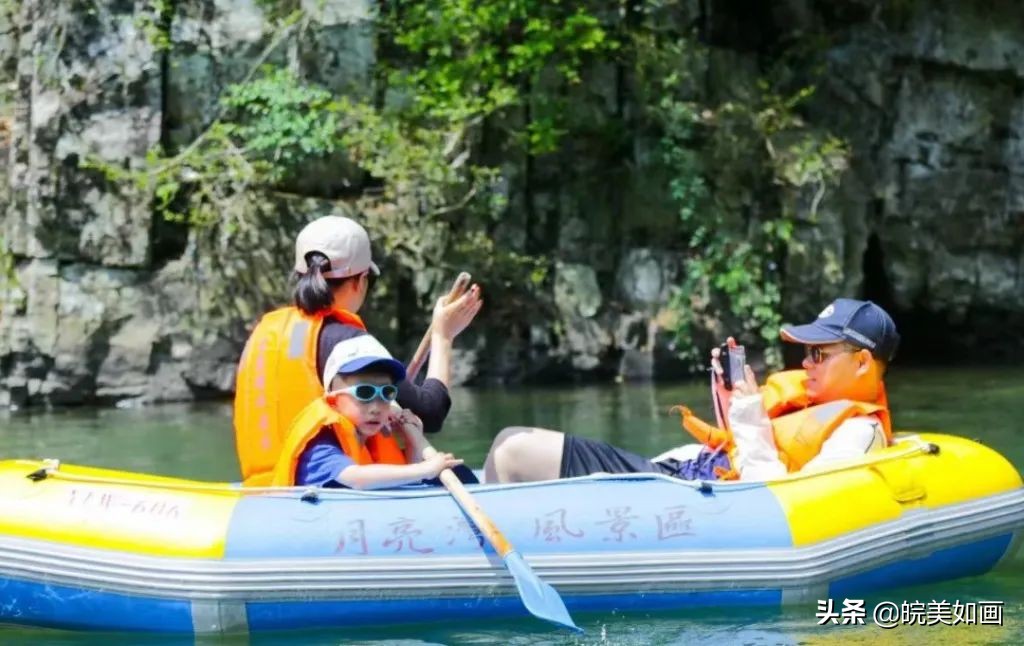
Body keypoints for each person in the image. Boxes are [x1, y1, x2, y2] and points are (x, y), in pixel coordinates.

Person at [483, 298, 900, 483]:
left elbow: (785, 500)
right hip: (682, 475)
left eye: (818, 353)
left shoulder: (856, 433)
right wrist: (732, 403)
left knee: (511, 450)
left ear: (862, 361)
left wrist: (750, 414)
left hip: (694, 496)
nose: (805, 362)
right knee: (509, 446)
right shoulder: (811, 405)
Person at [234, 215, 482, 486]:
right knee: (463, 477)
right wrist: (443, 336)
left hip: (266, 488)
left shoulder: (265, 333)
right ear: (360, 281)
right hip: (333, 491)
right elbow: (430, 412)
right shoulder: (351, 344)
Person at [270, 334, 464, 489]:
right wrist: (425, 469)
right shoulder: (321, 444)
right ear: (334, 398)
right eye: (364, 393)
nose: (376, 407)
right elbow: (357, 479)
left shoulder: (370, 435)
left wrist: (412, 438)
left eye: (387, 393)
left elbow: (407, 483)